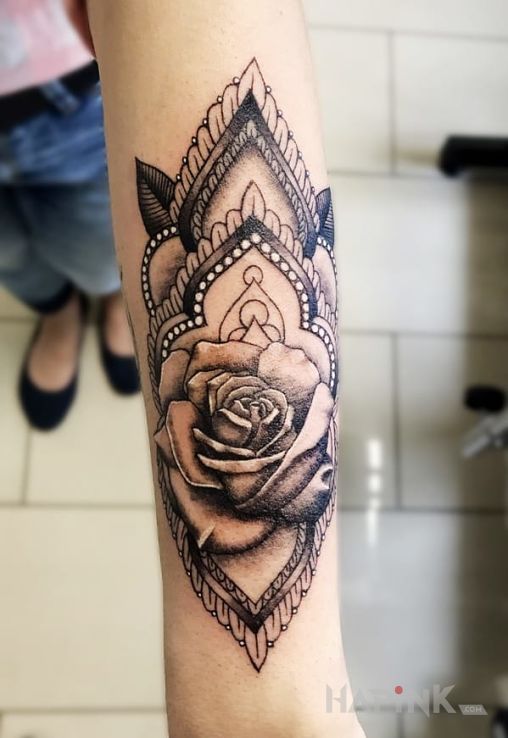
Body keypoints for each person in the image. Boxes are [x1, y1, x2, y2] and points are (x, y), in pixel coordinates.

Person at [70, 2, 365, 736]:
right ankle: (66, 307)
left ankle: (104, 305)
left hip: (70, 97)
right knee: (24, 252)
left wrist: (274, 710)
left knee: (72, 236)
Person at [0, 0, 139, 432]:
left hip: (66, 81)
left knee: (100, 244)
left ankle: (117, 301)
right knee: (7, 253)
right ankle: (59, 316)